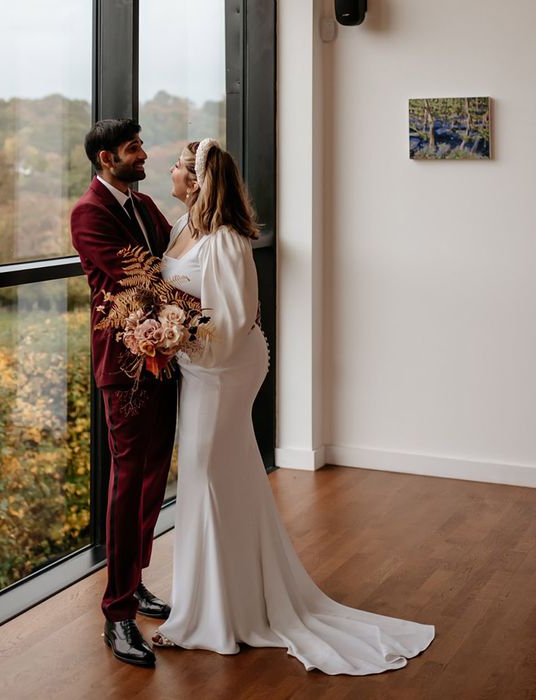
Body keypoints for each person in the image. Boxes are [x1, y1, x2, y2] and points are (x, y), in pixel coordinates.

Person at [154, 138, 435, 674]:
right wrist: (170, 333)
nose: (169, 169)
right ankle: (212, 603)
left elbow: (234, 320)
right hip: (199, 367)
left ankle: (215, 615)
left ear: (195, 179)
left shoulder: (228, 240)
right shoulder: (180, 227)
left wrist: (177, 338)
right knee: (213, 478)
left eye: (177, 165)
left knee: (208, 474)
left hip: (226, 369)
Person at [70, 119, 176, 668]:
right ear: (107, 158)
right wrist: (195, 304)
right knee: (127, 480)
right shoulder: (89, 213)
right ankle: (117, 617)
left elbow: (171, 254)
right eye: (135, 149)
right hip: (124, 365)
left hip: (165, 355)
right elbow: (136, 278)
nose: (145, 155)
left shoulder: (145, 202)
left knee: (155, 475)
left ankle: (133, 583)